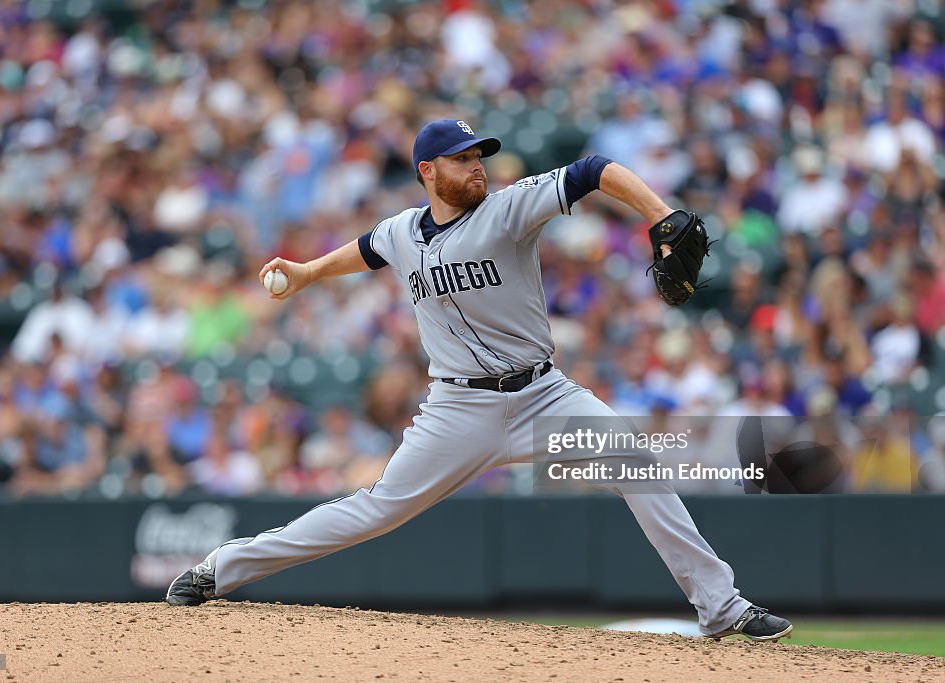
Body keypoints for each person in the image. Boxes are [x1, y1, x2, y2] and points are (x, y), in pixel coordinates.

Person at [166, 119, 793, 641]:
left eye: (478, 155)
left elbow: (594, 169)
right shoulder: (404, 231)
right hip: (458, 412)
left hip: (545, 395)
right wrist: (306, 273)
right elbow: (365, 249)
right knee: (375, 511)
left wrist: (659, 214)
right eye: (460, 158)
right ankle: (223, 567)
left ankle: (723, 607)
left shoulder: (509, 210)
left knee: (635, 459)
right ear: (427, 172)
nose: (476, 166)